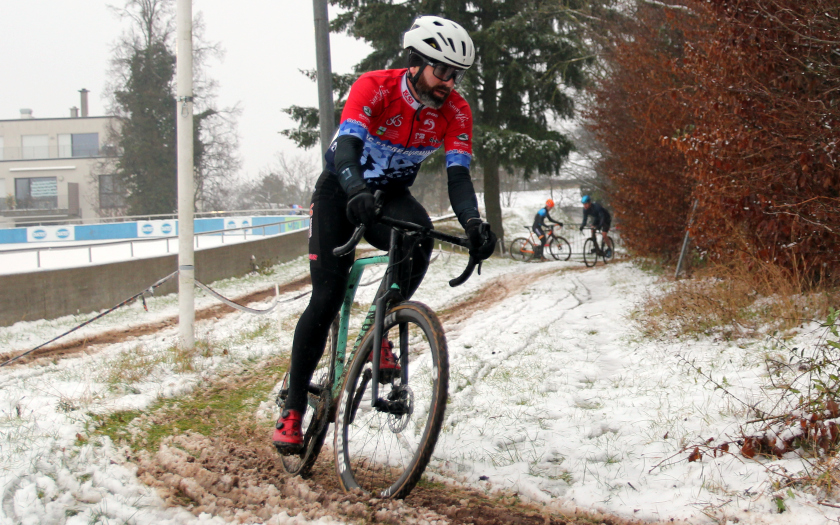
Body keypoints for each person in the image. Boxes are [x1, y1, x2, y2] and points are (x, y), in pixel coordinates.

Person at [273, 15, 498, 453]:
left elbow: (458, 178)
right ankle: (294, 408)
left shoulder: (455, 111)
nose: (449, 83)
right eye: (443, 71)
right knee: (326, 297)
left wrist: (473, 222)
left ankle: (381, 329)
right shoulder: (374, 86)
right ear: (416, 62)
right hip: (341, 190)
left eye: (457, 75)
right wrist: (355, 188)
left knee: (420, 234)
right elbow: (348, 147)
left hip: (390, 193)